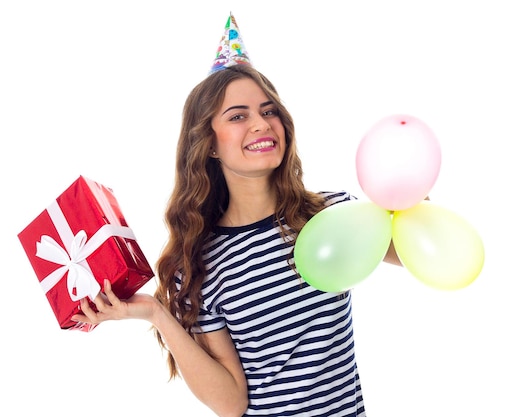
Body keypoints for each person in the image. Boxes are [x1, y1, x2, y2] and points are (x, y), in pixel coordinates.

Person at [73, 14, 401, 417]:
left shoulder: (331, 214)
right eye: (238, 115)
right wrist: (156, 313)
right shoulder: (198, 265)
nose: (262, 124)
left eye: (269, 111)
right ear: (209, 143)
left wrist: (409, 199)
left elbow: (410, 252)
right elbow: (231, 403)